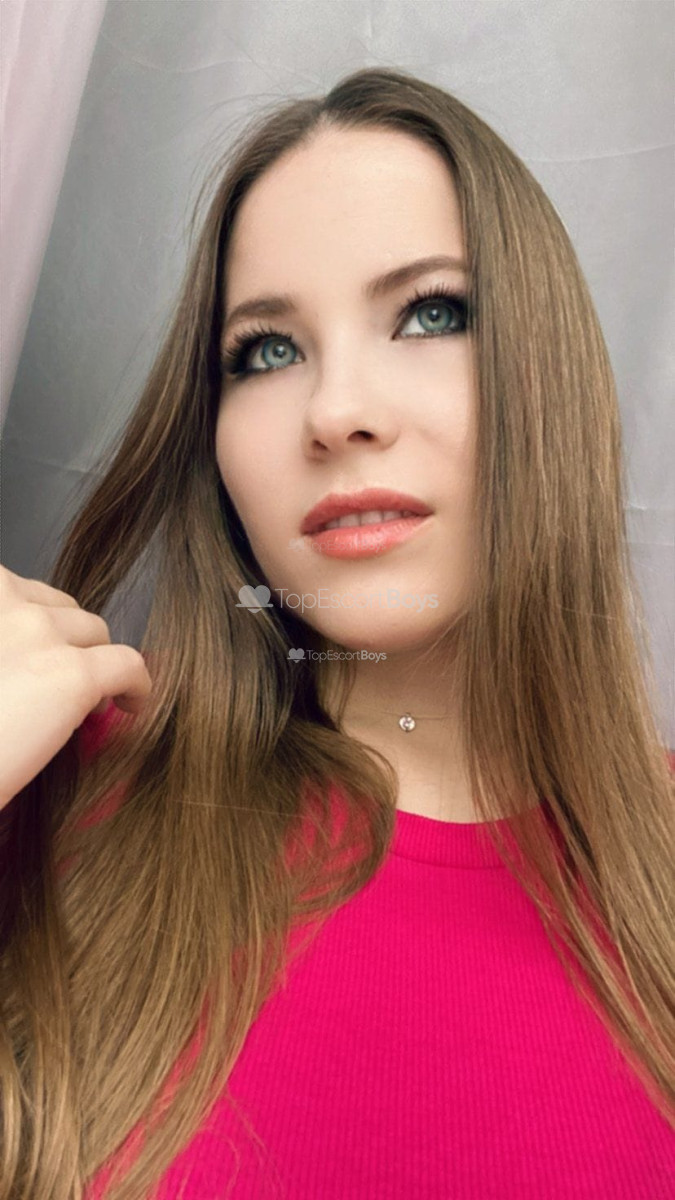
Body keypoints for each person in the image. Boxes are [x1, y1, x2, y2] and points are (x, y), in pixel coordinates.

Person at [0, 66, 673, 1200]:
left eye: (431, 313)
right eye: (266, 350)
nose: (335, 412)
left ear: (553, 377)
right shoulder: (53, 786)